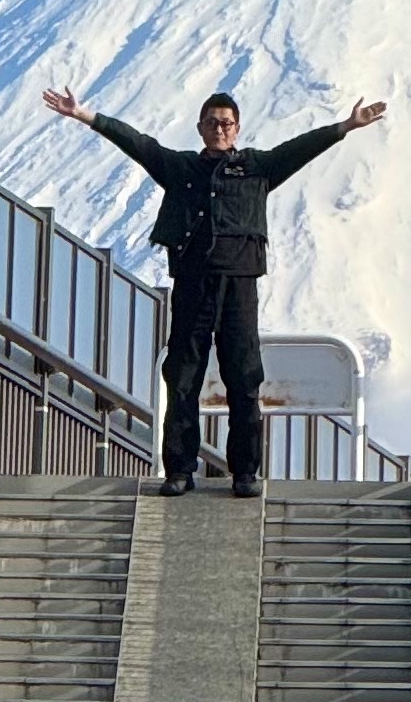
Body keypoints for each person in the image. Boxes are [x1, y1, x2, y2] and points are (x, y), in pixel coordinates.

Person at [42, 81, 387, 495]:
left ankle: (244, 473)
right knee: (182, 376)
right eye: (211, 122)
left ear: (237, 128)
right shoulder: (181, 168)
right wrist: (85, 115)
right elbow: (138, 143)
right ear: (200, 128)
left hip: (240, 286)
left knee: (244, 376)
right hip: (193, 284)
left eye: (226, 123)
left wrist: (345, 126)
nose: (219, 129)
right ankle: (179, 471)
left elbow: (299, 148)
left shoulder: (258, 167)